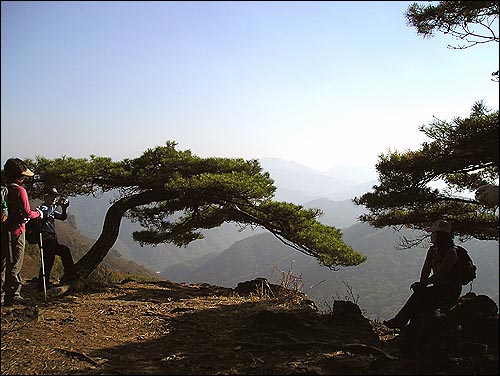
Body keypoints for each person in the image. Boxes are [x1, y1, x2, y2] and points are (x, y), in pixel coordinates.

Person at [383, 219, 462, 329]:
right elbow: (426, 269)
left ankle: (400, 322)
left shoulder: (451, 252)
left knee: (420, 295)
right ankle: (405, 324)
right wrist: (422, 284)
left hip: (450, 290)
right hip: (439, 288)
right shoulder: (433, 250)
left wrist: (424, 284)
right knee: (420, 294)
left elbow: (441, 273)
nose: (431, 235)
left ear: (440, 235)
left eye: (433, 233)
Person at [1, 158, 43, 306]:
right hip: (16, 231)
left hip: (2, 231)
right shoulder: (20, 191)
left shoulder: (4, 189)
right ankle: (13, 295)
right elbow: (27, 213)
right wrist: (38, 214)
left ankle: (1, 295)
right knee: (15, 263)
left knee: (2, 263)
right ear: (20, 176)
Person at [37, 187, 77, 291]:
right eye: (53, 196)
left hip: (51, 238)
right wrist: (57, 205)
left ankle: (43, 284)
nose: (55, 198)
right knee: (48, 261)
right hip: (46, 238)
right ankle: (42, 286)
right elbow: (45, 215)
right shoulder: (43, 208)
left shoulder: (50, 208)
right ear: (46, 197)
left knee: (58, 255)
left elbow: (62, 217)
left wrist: (64, 208)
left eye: (56, 196)